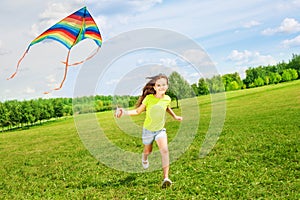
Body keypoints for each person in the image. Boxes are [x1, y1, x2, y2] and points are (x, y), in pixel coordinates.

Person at [115, 73, 183, 188]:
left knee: (165, 151)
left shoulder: (167, 99)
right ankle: (145, 158)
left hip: (160, 130)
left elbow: (167, 108)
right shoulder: (149, 99)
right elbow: (137, 112)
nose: (162, 87)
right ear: (154, 87)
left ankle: (166, 178)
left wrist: (175, 116)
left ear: (167, 86)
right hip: (148, 131)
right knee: (148, 151)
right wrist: (124, 113)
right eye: (159, 85)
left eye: (164, 84)